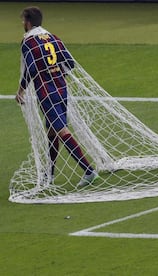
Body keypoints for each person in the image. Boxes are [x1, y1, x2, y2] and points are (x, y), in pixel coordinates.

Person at [15, 6, 98, 187]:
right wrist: (56, 73)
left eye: (23, 21)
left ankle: (88, 170)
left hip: (46, 92)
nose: (23, 24)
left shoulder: (28, 42)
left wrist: (21, 90)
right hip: (61, 88)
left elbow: (32, 68)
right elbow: (69, 63)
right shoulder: (54, 38)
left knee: (61, 131)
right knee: (52, 131)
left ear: (28, 22)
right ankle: (49, 175)